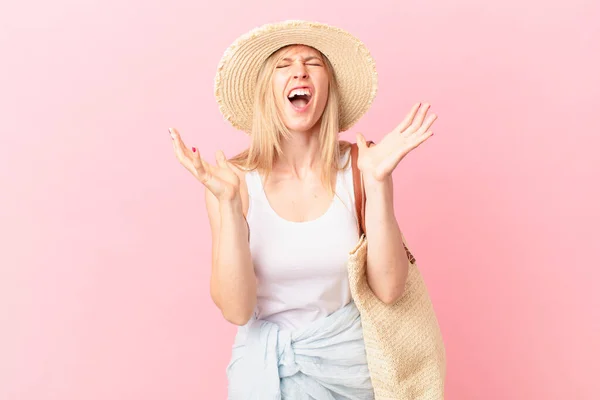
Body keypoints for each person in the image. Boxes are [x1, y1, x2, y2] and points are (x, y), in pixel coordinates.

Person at [169, 20, 437, 399]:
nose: (299, 70)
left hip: (352, 376)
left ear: (328, 87)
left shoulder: (362, 167)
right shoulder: (232, 181)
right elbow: (236, 310)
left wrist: (376, 184)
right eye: (283, 65)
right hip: (263, 377)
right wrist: (228, 205)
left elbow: (390, 290)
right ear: (266, 91)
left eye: (313, 63)